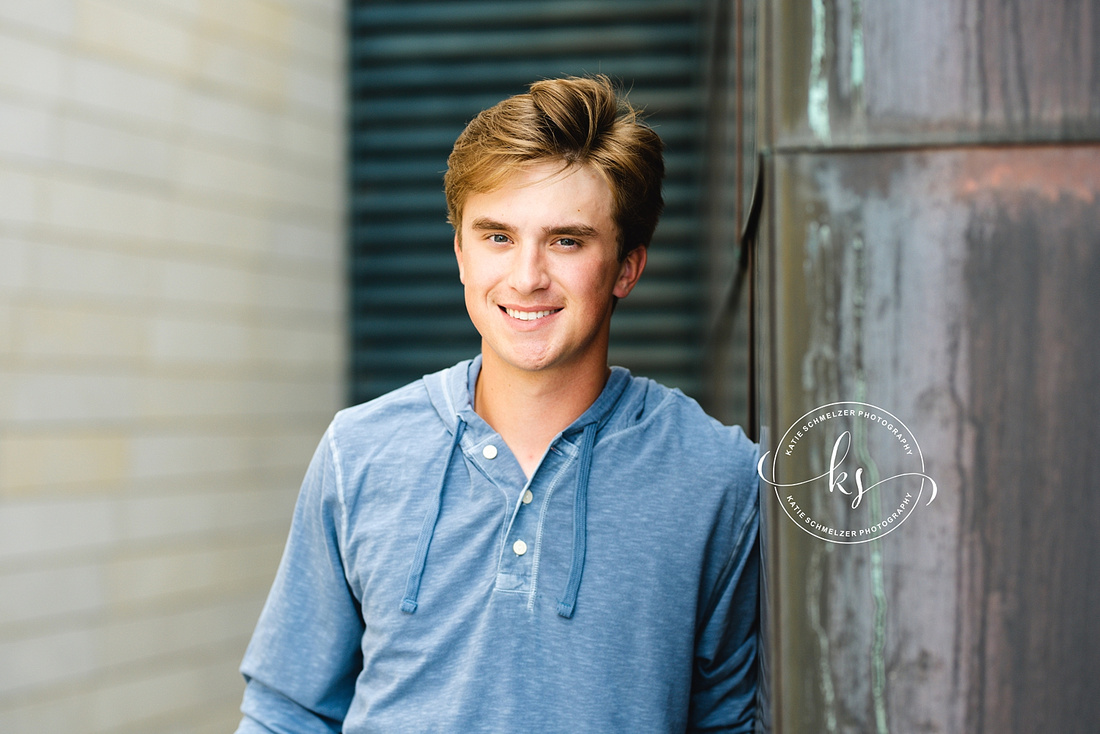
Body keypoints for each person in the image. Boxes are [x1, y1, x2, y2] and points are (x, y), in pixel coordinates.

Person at [235, 75, 759, 733]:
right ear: (460, 253)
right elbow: (288, 713)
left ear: (627, 265)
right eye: (498, 237)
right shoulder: (359, 451)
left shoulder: (719, 476)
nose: (527, 276)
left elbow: (731, 722)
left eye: (567, 240)